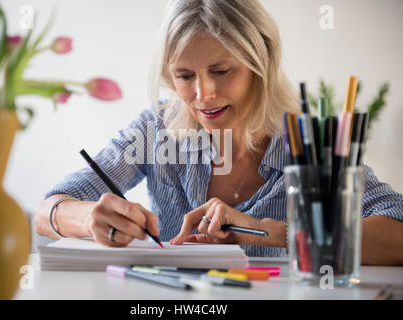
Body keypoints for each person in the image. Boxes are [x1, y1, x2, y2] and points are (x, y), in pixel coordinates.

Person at [35, 0, 403, 265]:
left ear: (262, 65)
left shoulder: (307, 143)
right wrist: (90, 220)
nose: (202, 94)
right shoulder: (156, 129)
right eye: (184, 75)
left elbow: (397, 233)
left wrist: (266, 231)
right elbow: (48, 209)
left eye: (222, 71)